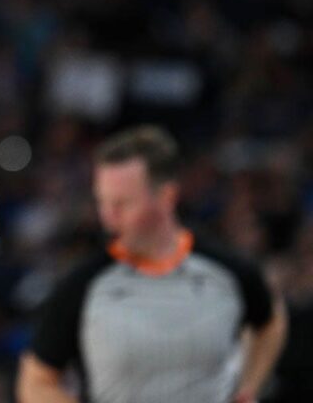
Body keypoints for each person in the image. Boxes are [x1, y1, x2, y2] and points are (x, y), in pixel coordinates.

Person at [17, 126, 288, 403]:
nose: (108, 217)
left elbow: (271, 318)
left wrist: (248, 388)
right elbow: (36, 381)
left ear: (166, 196)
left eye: (123, 203)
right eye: (103, 202)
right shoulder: (83, 285)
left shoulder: (227, 270)